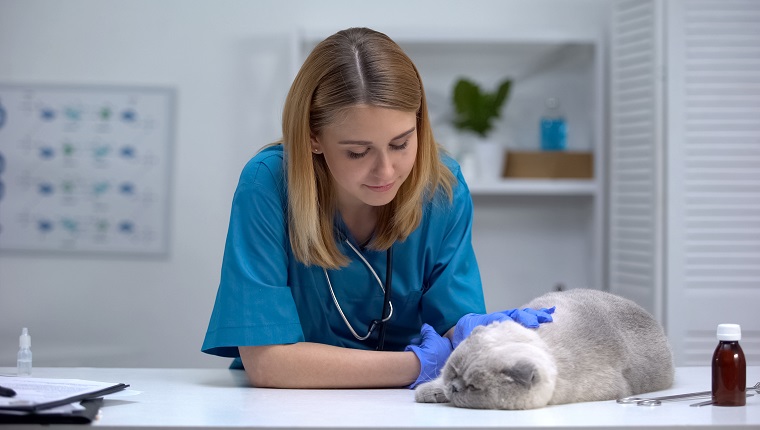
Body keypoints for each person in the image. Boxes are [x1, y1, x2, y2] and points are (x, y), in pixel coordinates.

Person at [201, 27, 554, 389]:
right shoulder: (269, 184)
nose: (386, 171)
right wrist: (416, 366)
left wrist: (480, 336)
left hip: (407, 409)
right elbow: (268, 362)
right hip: (288, 406)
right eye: (357, 151)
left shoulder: (442, 190)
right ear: (313, 136)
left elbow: (453, 334)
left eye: (401, 144)